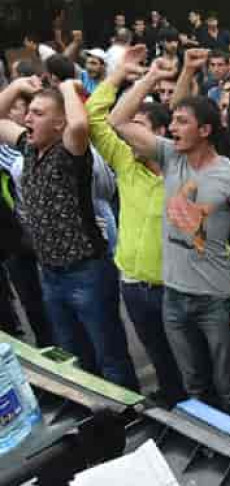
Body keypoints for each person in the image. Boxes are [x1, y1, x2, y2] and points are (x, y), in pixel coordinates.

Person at [112, 57, 230, 420]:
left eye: (181, 121)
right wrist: (151, 76)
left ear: (205, 130)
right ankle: (206, 442)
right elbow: (118, 121)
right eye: (172, 121)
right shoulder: (169, 156)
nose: (172, 128)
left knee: (229, 384)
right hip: (174, 297)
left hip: (216, 300)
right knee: (194, 383)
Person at [0, 76, 138, 390]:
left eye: (38, 113)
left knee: (110, 356)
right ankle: (95, 412)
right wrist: (18, 85)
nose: (27, 118)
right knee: (74, 356)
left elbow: (79, 125)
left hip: (87, 272)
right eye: (28, 112)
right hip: (51, 274)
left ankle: (128, 413)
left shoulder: (70, 152)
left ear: (58, 124)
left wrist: (65, 87)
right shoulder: (28, 148)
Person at [86, 45, 186, 406]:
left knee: (190, 363)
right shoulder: (125, 161)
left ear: (161, 134)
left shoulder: (184, 171)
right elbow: (95, 119)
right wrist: (125, 75)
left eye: (138, 129)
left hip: (174, 289)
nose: (128, 136)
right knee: (158, 356)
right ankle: (171, 404)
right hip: (132, 284)